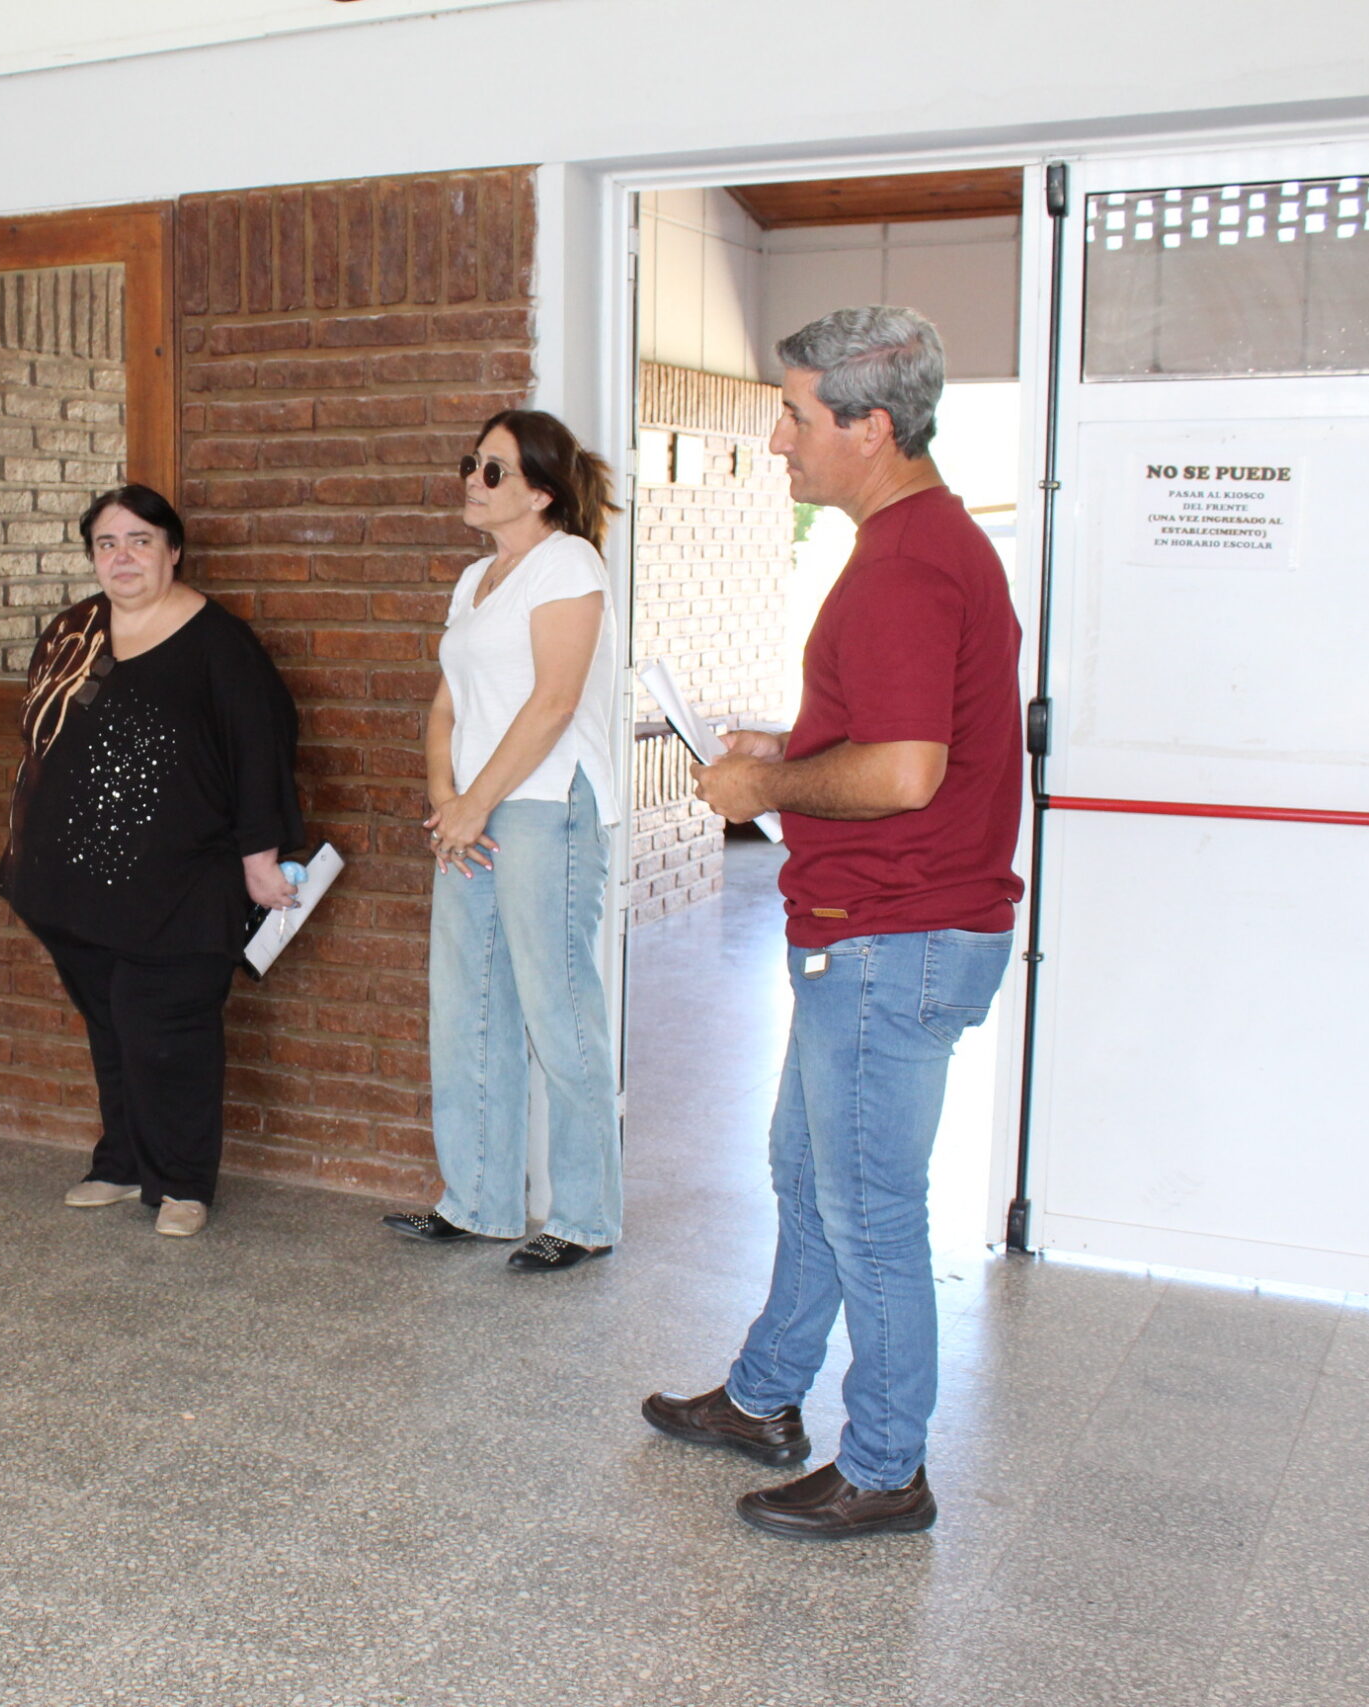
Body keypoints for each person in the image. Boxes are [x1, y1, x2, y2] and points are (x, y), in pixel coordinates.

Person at [643, 306, 1023, 1537]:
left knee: (867, 1211)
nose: (775, 438)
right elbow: (900, 741)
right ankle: (762, 1398)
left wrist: (763, 786)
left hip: (891, 934)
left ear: (869, 425)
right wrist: (788, 745)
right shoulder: (909, 542)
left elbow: (907, 772)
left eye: (797, 415)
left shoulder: (909, 562)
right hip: (873, 927)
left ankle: (885, 1471)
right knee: (809, 1178)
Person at [0, 484, 302, 1238]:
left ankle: (183, 1182)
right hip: (71, 886)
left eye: (139, 540)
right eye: (106, 543)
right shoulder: (77, 629)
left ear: (174, 550)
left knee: (165, 1027)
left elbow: (261, 755)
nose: (122, 556)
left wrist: (261, 862)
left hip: (178, 884)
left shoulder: (219, 645)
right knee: (110, 1022)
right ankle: (121, 1161)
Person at [381, 409, 626, 1273]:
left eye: (492, 470)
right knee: (468, 1006)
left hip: (544, 807)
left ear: (541, 492)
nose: (472, 481)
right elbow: (448, 704)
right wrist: (445, 799)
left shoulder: (567, 563)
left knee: (559, 1012)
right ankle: (480, 1200)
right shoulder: (477, 578)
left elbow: (554, 701)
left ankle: (587, 1215)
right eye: (470, 465)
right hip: (476, 812)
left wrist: (479, 800)